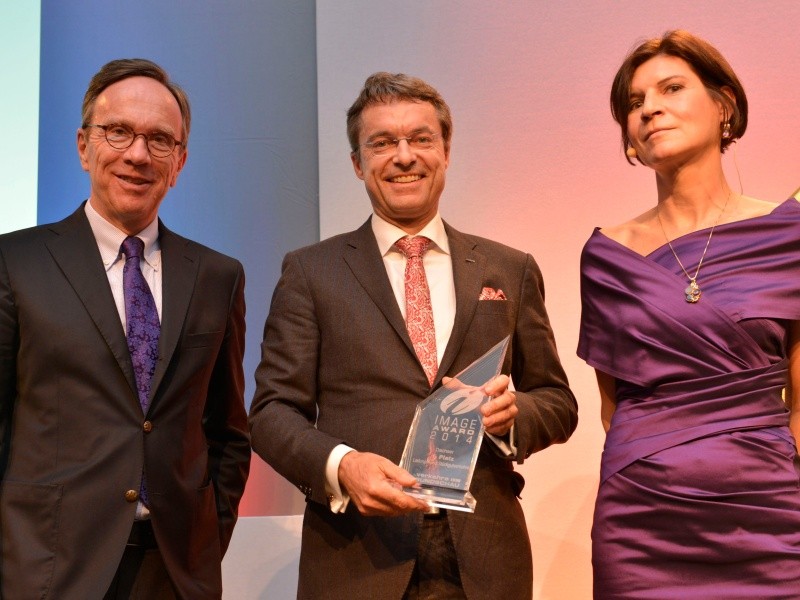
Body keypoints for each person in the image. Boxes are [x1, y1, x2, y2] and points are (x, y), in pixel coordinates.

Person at [249, 72, 577, 599]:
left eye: (421, 138)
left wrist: (514, 416)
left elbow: (557, 400)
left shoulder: (509, 269)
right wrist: (343, 467)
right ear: (358, 163)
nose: (404, 157)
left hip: (486, 560)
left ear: (445, 151)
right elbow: (271, 412)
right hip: (357, 556)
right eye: (382, 143)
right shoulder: (312, 272)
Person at [0, 59, 250, 599]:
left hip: (176, 572)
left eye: (159, 140)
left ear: (179, 162)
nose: (138, 154)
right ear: (84, 145)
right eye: (118, 132)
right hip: (49, 572)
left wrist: (206, 543)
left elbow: (228, 434)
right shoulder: (15, 263)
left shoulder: (218, 276)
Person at [578, 30, 800, 598]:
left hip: (770, 516)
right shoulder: (606, 257)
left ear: (724, 105)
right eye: (635, 102)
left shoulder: (789, 235)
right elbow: (613, 406)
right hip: (640, 524)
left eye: (671, 88)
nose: (649, 108)